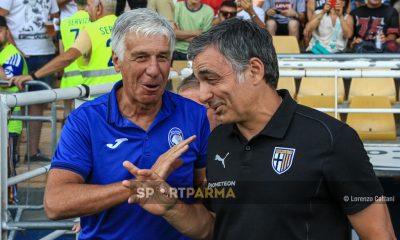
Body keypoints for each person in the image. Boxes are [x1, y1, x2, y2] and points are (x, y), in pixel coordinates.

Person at [122, 18, 397, 240]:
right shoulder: (217, 140)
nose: (203, 94)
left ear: (254, 70)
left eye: (211, 79)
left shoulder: (331, 139)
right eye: (199, 81)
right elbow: (214, 227)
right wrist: (170, 205)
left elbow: (379, 234)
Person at [43, 9, 210, 240]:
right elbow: (55, 203)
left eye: (162, 57)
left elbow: (207, 197)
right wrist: (136, 187)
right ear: (117, 61)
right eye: (141, 57)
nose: (153, 70)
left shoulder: (196, 116)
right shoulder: (86, 120)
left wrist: (174, 204)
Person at [10, 0, 121, 90]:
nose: (86, 9)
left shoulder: (91, 29)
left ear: (99, 8)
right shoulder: (125, 27)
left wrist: (33, 76)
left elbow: (68, 57)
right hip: (122, 93)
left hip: (97, 96)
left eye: (88, 5)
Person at [0, 0, 59, 162]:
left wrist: (54, 32)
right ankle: (12, 153)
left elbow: (55, 17)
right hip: (19, 52)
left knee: (38, 103)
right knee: (14, 102)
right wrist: (14, 48)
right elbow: (1, 16)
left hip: (45, 52)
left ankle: (32, 152)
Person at [0, 15, 28, 203]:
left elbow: (4, 81)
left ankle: (12, 205)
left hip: (10, 122)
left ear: (6, 32)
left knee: (7, 166)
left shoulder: (13, 55)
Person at [58, 0, 89, 121]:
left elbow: (62, 52)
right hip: (86, 76)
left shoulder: (64, 23)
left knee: (67, 115)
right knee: (83, 116)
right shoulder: (93, 21)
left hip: (69, 76)